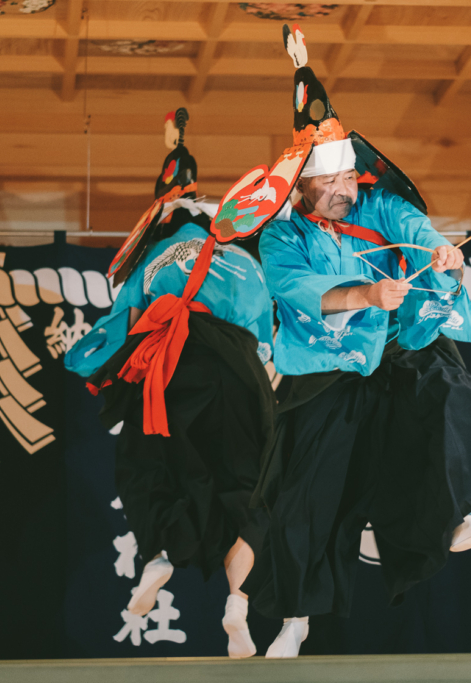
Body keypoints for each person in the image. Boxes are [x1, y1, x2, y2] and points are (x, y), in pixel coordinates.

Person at [211, 26, 471, 659]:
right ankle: (285, 621)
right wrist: (364, 294)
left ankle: (454, 516)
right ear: (301, 184)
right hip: (324, 373)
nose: (345, 190)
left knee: (439, 383)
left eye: (350, 180)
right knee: (309, 497)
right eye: (331, 184)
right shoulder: (283, 237)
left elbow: (410, 225)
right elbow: (299, 289)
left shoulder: (373, 205)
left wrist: (439, 249)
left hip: (389, 352)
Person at [66, 109, 275, 659]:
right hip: (234, 370)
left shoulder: (154, 257)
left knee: (153, 467)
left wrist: (87, 366)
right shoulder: (244, 260)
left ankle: (158, 555)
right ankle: (238, 599)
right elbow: (262, 332)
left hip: (167, 371)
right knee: (246, 482)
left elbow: (117, 329)